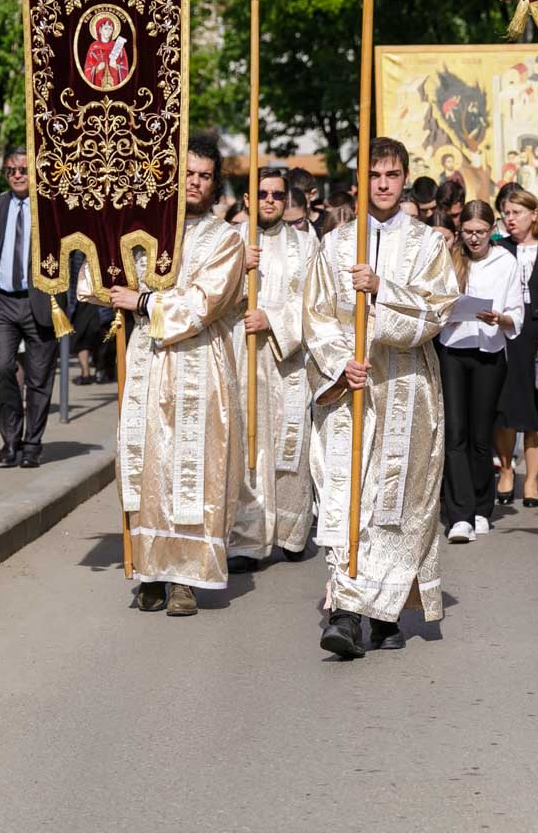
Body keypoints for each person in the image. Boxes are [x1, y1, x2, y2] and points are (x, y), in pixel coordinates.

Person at [303, 137, 457, 657]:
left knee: (397, 500)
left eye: (392, 175)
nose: (384, 184)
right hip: (352, 385)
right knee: (349, 496)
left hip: (407, 387)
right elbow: (317, 314)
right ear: (360, 181)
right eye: (375, 175)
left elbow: (438, 311)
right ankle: (346, 612)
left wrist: (382, 288)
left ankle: (385, 609)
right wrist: (335, 361)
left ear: (405, 178)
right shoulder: (337, 244)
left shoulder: (428, 243)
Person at [102, 135, 246, 615]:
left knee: (192, 467)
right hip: (146, 361)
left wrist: (143, 301)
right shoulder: (144, 230)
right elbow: (101, 284)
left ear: (214, 183)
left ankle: (185, 578)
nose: (196, 183)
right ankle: (150, 570)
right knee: (147, 464)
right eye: (188, 173)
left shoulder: (226, 239)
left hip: (198, 363)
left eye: (205, 175)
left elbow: (206, 302)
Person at [236, 166, 321, 565]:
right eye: (263, 194)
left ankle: (291, 531)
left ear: (287, 200)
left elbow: (316, 303)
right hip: (241, 359)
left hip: (287, 361)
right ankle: (248, 539)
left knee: (290, 444)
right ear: (249, 200)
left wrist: (271, 318)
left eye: (277, 195)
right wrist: (239, 268)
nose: (270, 200)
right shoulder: (231, 242)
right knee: (248, 445)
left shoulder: (306, 244)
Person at [0, 148, 61, 470]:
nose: (17, 175)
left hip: (41, 303)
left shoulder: (50, 206)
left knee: (38, 378)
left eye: (23, 169)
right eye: (11, 170)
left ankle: (32, 444)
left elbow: (73, 253)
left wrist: (66, 301)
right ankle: (10, 438)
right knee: (2, 367)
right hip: (3, 302)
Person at [437, 200, 524, 544]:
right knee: (455, 433)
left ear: (493, 230)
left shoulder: (506, 261)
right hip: (454, 349)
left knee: (479, 434)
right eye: (469, 233)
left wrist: (498, 318)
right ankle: (459, 514)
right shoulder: (450, 259)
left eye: (481, 232)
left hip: (488, 351)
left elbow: (515, 310)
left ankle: (480, 509)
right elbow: (436, 302)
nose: (474, 239)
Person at [492, 188, 538, 506]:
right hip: (505, 337)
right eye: (505, 214)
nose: (509, 219)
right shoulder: (497, 250)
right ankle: (507, 469)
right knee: (504, 408)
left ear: (534, 214)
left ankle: (532, 481)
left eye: (515, 213)